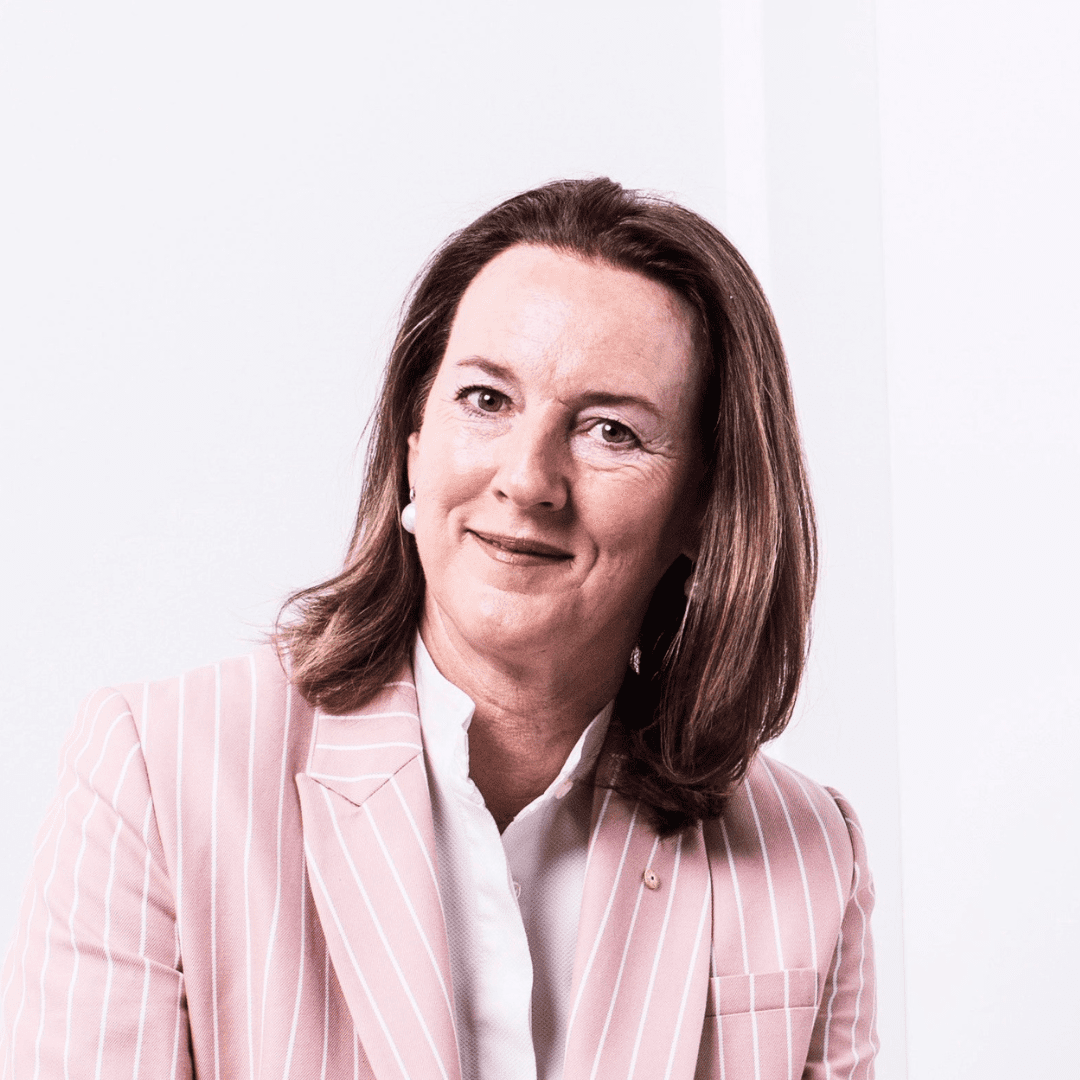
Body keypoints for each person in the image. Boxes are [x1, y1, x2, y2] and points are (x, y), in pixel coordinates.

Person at [0, 178, 877, 1079]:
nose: (528, 479)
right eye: (487, 401)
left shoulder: (812, 853)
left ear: (704, 506)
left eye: (611, 430)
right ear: (413, 441)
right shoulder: (159, 768)